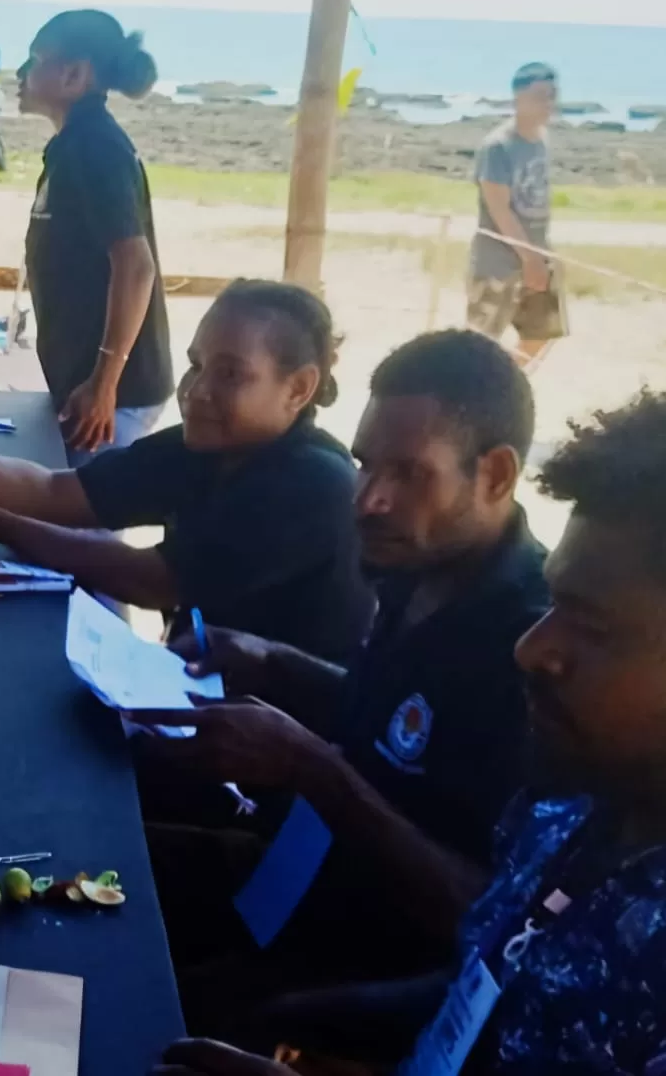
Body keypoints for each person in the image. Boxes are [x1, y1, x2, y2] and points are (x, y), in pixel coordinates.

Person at [154, 385, 666, 1075]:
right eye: (555, 604)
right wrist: (290, 1025)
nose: (531, 648)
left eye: (593, 630)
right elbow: (497, 982)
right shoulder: (584, 792)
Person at [131, 330, 549, 1043]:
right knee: (82, 850)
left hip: (370, 958)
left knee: (129, 1010)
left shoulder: (535, 654)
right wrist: (275, 663)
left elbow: (483, 916)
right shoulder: (419, 562)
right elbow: (397, 723)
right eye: (365, 465)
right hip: (291, 876)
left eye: (409, 474)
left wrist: (312, 768)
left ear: (496, 474)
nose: (370, 499)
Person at [0, 281, 373, 658]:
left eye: (231, 374)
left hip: (286, 742)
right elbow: (53, 493)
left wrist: (0, 525)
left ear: (298, 389)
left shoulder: (312, 484)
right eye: (196, 365)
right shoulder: (206, 447)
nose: (197, 391)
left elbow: (152, 581)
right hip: (208, 690)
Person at [17, 9, 172, 466]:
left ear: (74, 75)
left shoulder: (95, 146)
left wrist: (104, 382)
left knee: (81, 511)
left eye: (35, 60)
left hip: (112, 396)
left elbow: (136, 265)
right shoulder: (74, 144)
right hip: (86, 384)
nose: (21, 73)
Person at [468, 62, 566, 372]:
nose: (547, 104)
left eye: (551, 96)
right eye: (539, 96)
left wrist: (545, 255)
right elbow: (499, 208)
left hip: (537, 254)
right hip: (497, 263)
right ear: (518, 98)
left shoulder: (541, 139)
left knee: (541, 333)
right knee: (480, 344)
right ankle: (481, 391)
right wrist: (530, 259)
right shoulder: (498, 147)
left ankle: (505, 385)